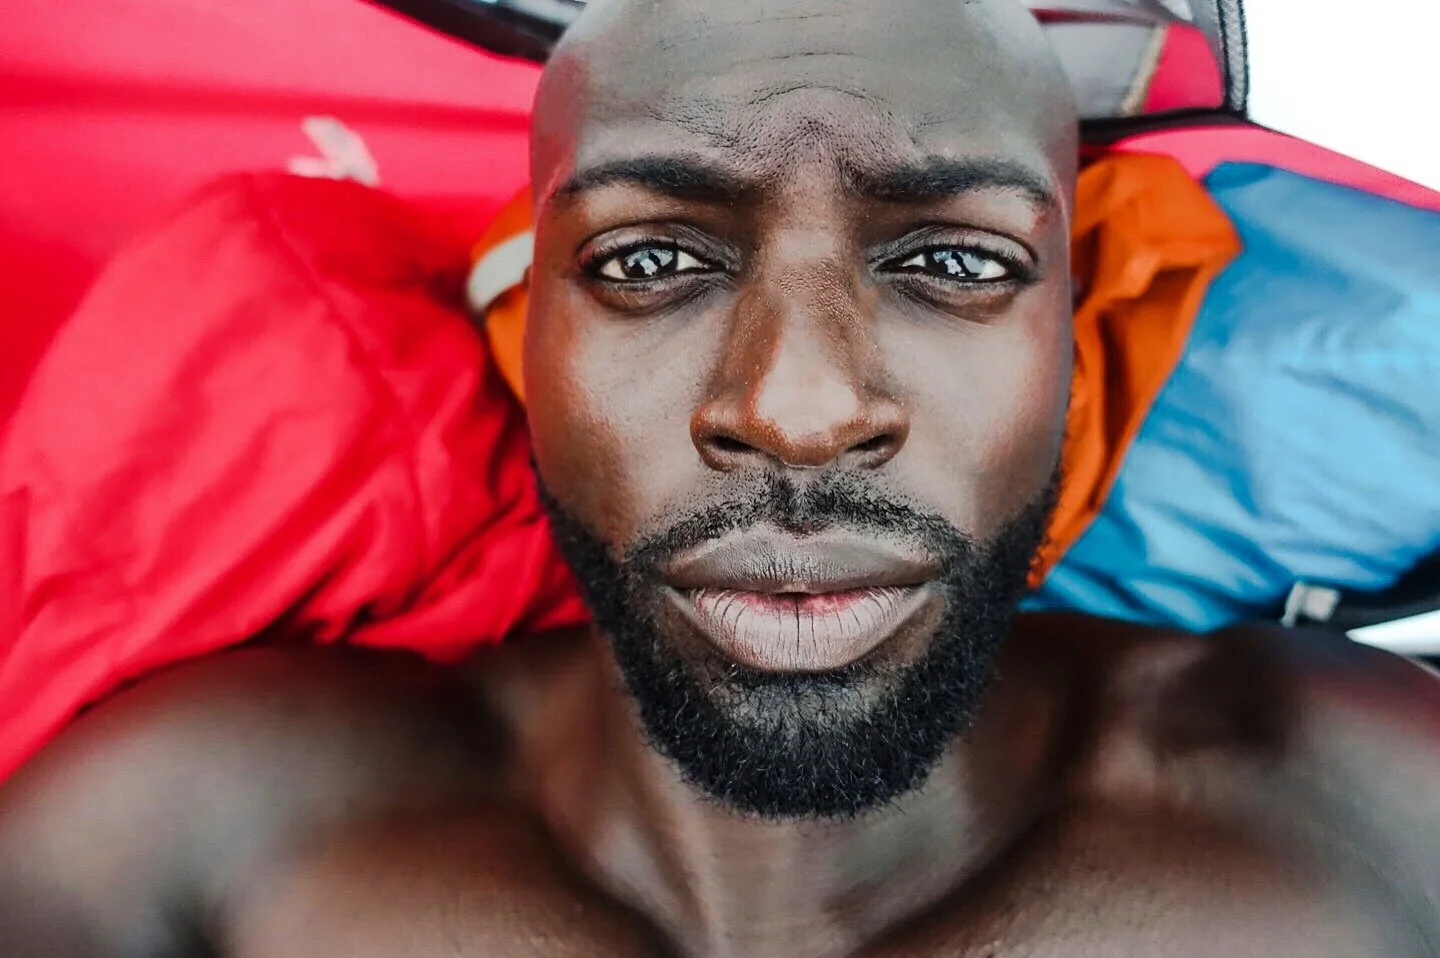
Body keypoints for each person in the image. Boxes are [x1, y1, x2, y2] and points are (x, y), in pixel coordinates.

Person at [2, 0, 1438, 954]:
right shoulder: (192, 828)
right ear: (525, 335)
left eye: (952, 260)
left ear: (1080, 335)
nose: (799, 413)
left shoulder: (1378, 801)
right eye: (649, 261)